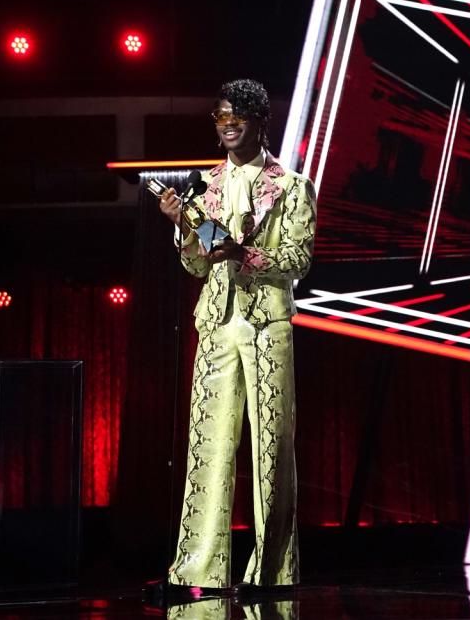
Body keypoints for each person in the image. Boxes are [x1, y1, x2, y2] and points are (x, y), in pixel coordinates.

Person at [153, 79, 316, 601]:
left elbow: (299, 261)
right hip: (217, 322)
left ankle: (269, 573)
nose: (227, 125)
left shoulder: (291, 185)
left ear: (259, 120)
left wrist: (242, 254)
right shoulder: (206, 186)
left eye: (237, 116)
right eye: (220, 116)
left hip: (267, 322)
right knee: (209, 445)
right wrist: (184, 227)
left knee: (271, 447)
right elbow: (196, 264)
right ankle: (197, 570)